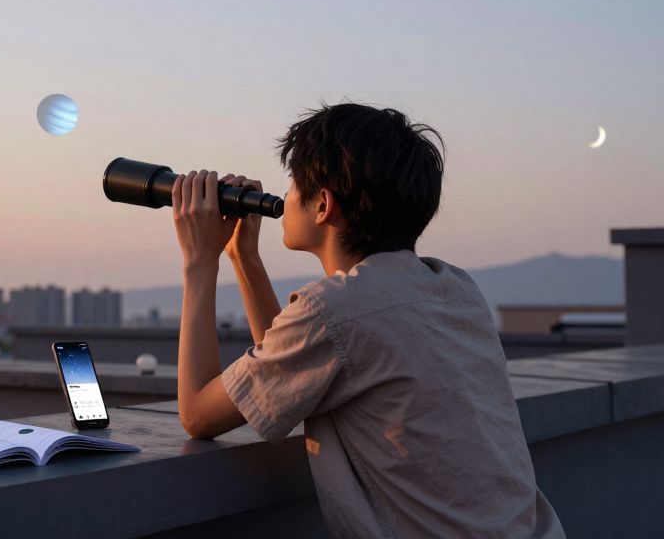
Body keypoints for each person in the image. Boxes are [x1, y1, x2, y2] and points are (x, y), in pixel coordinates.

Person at [170, 102, 563, 538]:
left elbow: (197, 415)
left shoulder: (332, 312)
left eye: (295, 182)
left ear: (323, 205)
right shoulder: (456, 290)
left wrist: (199, 260)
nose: (287, 194)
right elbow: (290, 375)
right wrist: (244, 258)